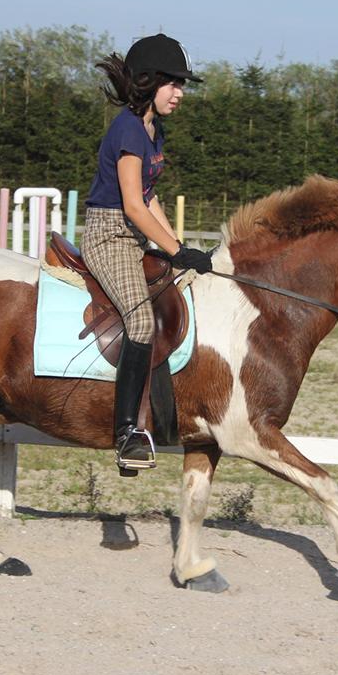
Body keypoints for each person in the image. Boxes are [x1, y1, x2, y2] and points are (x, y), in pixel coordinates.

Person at [82, 33, 213, 474]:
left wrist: (177, 246)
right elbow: (132, 205)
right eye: (172, 83)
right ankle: (126, 434)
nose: (179, 93)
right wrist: (173, 248)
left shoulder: (155, 129)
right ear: (147, 82)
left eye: (182, 85)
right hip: (108, 236)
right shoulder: (127, 130)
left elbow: (149, 195)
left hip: (135, 234)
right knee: (140, 321)